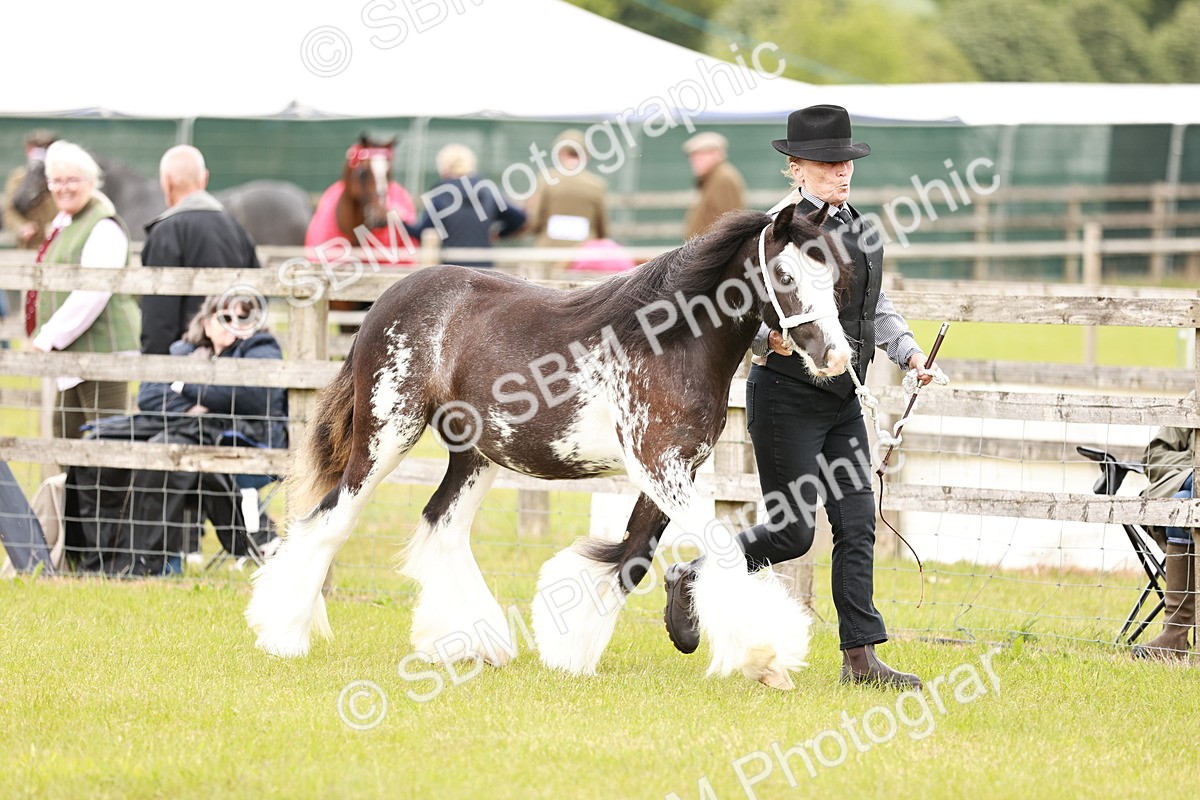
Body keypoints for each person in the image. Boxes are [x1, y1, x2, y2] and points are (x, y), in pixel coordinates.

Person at [663, 105, 938, 689]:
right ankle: (693, 576)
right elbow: (733, 309)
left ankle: (860, 660)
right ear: (795, 168)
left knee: (858, 523)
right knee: (792, 534)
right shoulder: (771, 236)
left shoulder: (862, 228)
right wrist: (771, 338)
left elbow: (874, 306)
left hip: (845, 400)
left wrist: (908, 352)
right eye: (826, 163)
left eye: (846, 162)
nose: (841, 173)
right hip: (786, 398)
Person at [64, 294, 286, 576]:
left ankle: (148, 562)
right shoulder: (184, 350)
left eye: (241, 318)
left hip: (247, 444)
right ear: (206, 323)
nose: (233, 325)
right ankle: (100, 556)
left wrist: (183, 386)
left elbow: (253, 397)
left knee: (164, 451)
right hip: (182, 431)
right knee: (98, 447)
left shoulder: (261, 348)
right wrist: (203, 402)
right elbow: (149, 395)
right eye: (225, 318)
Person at [28, 140, 139, 438]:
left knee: (106, 444)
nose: (64, 188)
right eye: (57, 181)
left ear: (91, 182)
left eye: (72, 180)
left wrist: (48, 337)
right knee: (66, 436)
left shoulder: (103, 226)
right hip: (75, 355)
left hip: (103, 354)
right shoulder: (65, 223)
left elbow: (92, 293)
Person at [139, 145, 261, 355]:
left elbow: (159, 315)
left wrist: (154, 371)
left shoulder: (166, 230)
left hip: (183, 363)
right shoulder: (235, 227)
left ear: (166, 182)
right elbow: (256, 295)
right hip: (232, 356)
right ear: (204, 178)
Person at [1133, 402, 1196, 660]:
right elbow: (1155, 455)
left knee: (1185, 499)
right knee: (1183, 501)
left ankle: (1175, 634)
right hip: (1191, 491)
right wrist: (1195, 467)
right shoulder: (1197, 397)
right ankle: (1174, 636)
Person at [406, 143, 526, 268]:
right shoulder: (487, 191)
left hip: (452, 270)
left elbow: (422, 232)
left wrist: (401, 222)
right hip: (485, 270)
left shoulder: (440, 194)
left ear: (445, 167)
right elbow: (520, 219)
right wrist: (499, 234)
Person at [526, 129, 609, 249]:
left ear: (561, 153)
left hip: (549, 253)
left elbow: (536, 222)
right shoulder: (597, 184)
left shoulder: (546, 179)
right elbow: (602, 229)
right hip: (584, 255)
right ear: (585, 155)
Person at [682, 131, 746, 240]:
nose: (694, 161)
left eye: (700, 156)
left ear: (716, 154)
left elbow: (728, 223)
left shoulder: (723, 179)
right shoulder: (713, 178)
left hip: (711, 250)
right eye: (693, 157)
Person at [3, 129, 59, 248]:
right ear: (28, 149)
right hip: (30, 244)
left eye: (46, 147)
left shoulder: (61, 176)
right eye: (37, 147)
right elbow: (9, 210)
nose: (41, 153)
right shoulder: (19, 177)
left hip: (56, 242)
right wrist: (21, 227)